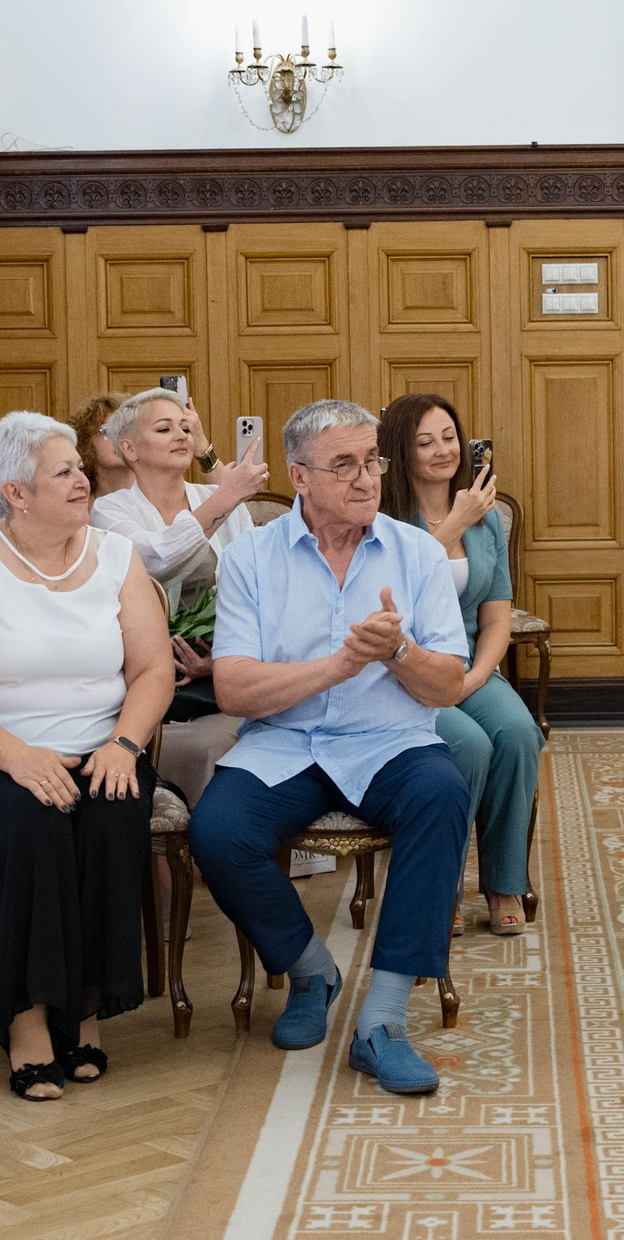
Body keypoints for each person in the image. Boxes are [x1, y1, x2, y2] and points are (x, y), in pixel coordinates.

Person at [189, 399, 473, 1096]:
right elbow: (232, 686)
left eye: (370, 460)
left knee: (443, 793)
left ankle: (381, 1023)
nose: (365, 478)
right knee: (218, 831)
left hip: (388, 740)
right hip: (284, 741)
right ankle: (311, 968)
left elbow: (449, 683)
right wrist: (337, 667)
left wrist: (398, 649)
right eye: (342, 464)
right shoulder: (252, 555)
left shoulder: (418, 554)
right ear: (300, 476)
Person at [0, 412, 175, 1100]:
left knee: (108, 810)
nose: (82, 479)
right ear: (17, 492)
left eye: (78, 468)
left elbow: (154, 669)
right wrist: (16, 757)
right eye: (63, 471)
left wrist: (124, 744)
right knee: (30, 820)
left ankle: (85, 1010)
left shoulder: (116, 556)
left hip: (101, 746)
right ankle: (29, 1021)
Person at [380, 393, 543, 938]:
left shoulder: (484, 517)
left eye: (449, 437)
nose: (441, 450)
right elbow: (391, 592)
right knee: (468, 745)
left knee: (518, 732)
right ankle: (439, 883)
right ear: (400, 452)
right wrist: (453, 523)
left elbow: (496, 618)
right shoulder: (382, 517)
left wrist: (474, 678)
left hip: (470, 663)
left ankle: (503, 882)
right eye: (424, 442)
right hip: (403, 672)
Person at [93, 387, 270, 720]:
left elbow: (259, 585)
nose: (181, 436)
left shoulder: (214, 494)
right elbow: (154, 561)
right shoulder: (108, 510)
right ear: (130, 449)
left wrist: (222, 659)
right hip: (142, 678)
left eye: (185, 428)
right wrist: (226, 497)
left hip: (224, 674)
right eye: (164, 429)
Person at [70, 393, 135, 501]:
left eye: (128, 429)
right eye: (108, 430)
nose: (121, 438)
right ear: (86, 442)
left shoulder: (163, 498)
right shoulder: (77, 504)